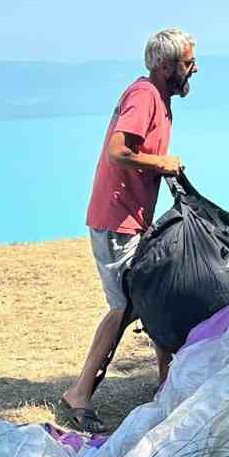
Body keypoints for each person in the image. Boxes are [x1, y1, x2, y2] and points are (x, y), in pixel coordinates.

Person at [59, 28, 196, 433]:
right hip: (116, 220)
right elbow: (119, 152)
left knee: (151, 295)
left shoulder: (160, 100)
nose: (194, 69)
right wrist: (162, 164)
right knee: (125, 307)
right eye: (188, 63)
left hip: (131, 217)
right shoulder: (144, 96)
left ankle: (166, 384)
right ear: (164, 65)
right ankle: (79, 393)